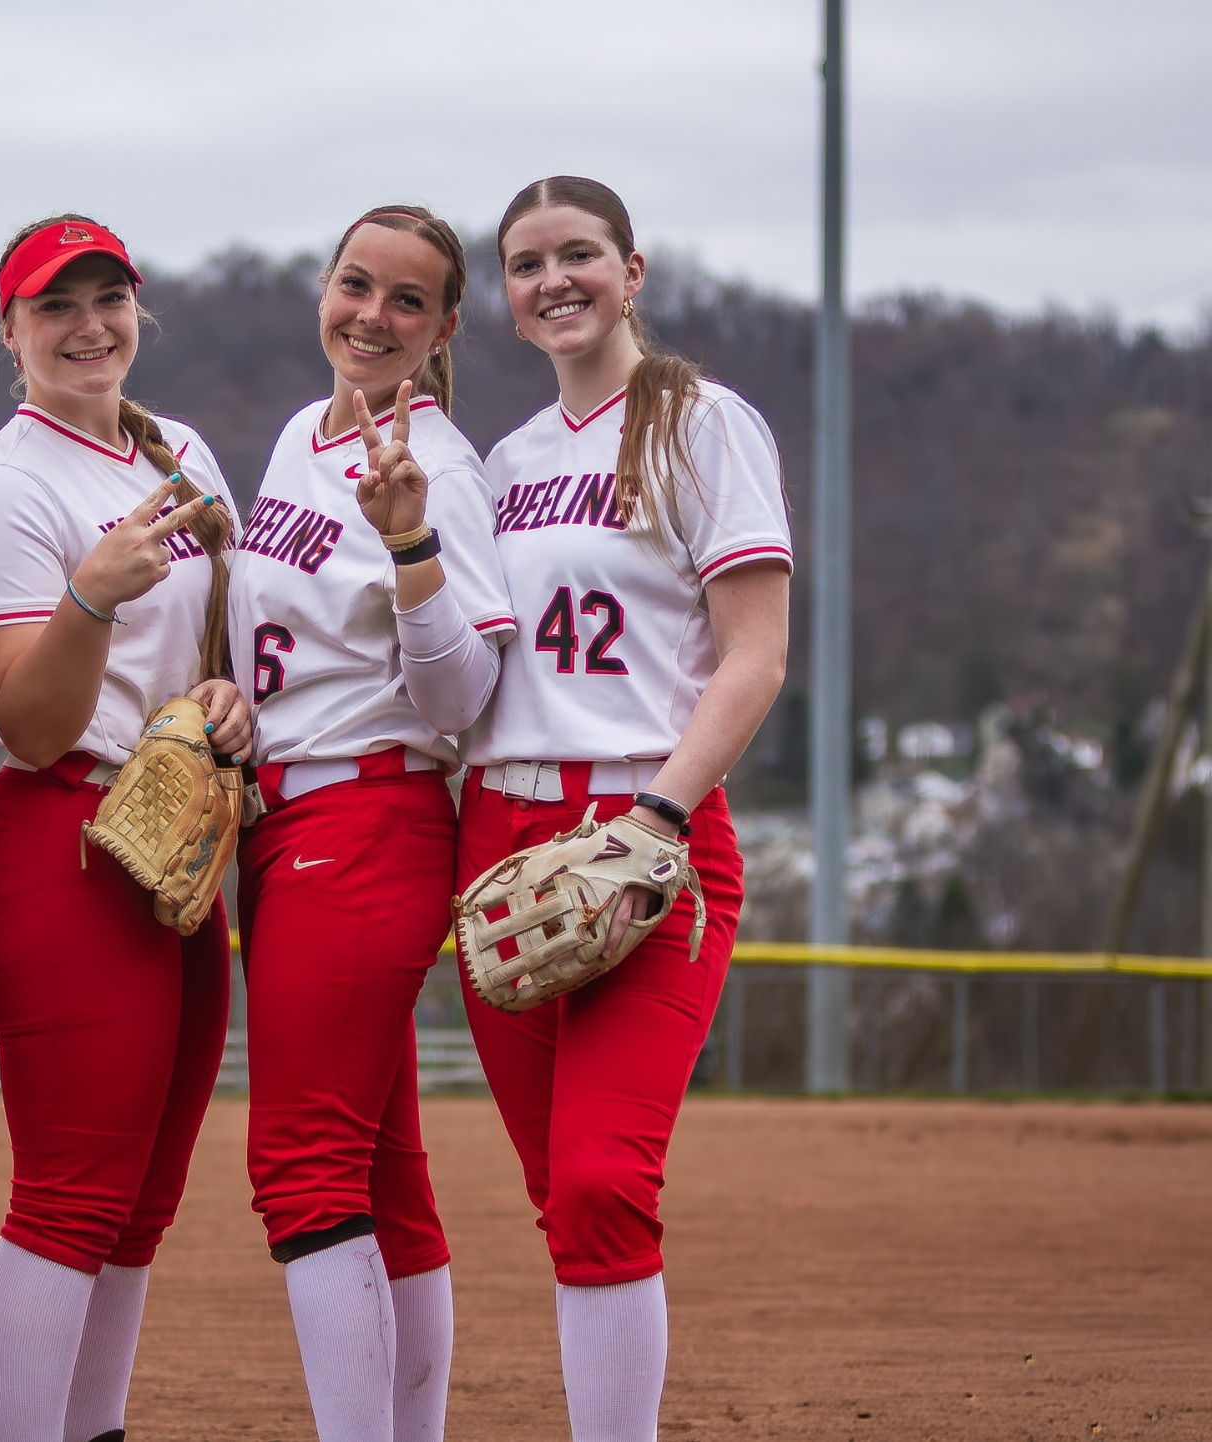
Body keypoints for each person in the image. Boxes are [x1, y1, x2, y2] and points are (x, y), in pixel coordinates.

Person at [459, 176, 791, 1442]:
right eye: (526, 263)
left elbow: (750, 655)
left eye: (578, 254)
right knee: (561, 1194)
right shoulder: (507, 460)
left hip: (649, 832)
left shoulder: (701, 423)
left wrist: (656, 814)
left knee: (602, 1178)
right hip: (499, 825)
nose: (553, 281)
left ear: (631, 270)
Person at [0, 214, 249, 1442]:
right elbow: (24, 720)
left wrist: (229, 687)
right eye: (53, 304)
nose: (88, 326)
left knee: (138, 1204)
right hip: (61, 838)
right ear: (9, 330)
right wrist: (84, 595)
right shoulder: (6, 481)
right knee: (69, 1198)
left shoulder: (179, 450)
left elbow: (217, 641)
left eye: (107, 297)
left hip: (176, 833)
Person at [225, 204, 516, 1442]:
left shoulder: (441, 468)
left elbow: (461, 696)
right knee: (382, 1172)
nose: (373, 317)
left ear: (445, 326)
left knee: (298, 1163)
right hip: (283, 821)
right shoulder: (303, 432)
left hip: (366, 815)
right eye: (356, 285)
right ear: (322, 289)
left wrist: (408, 544)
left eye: (408, 301)